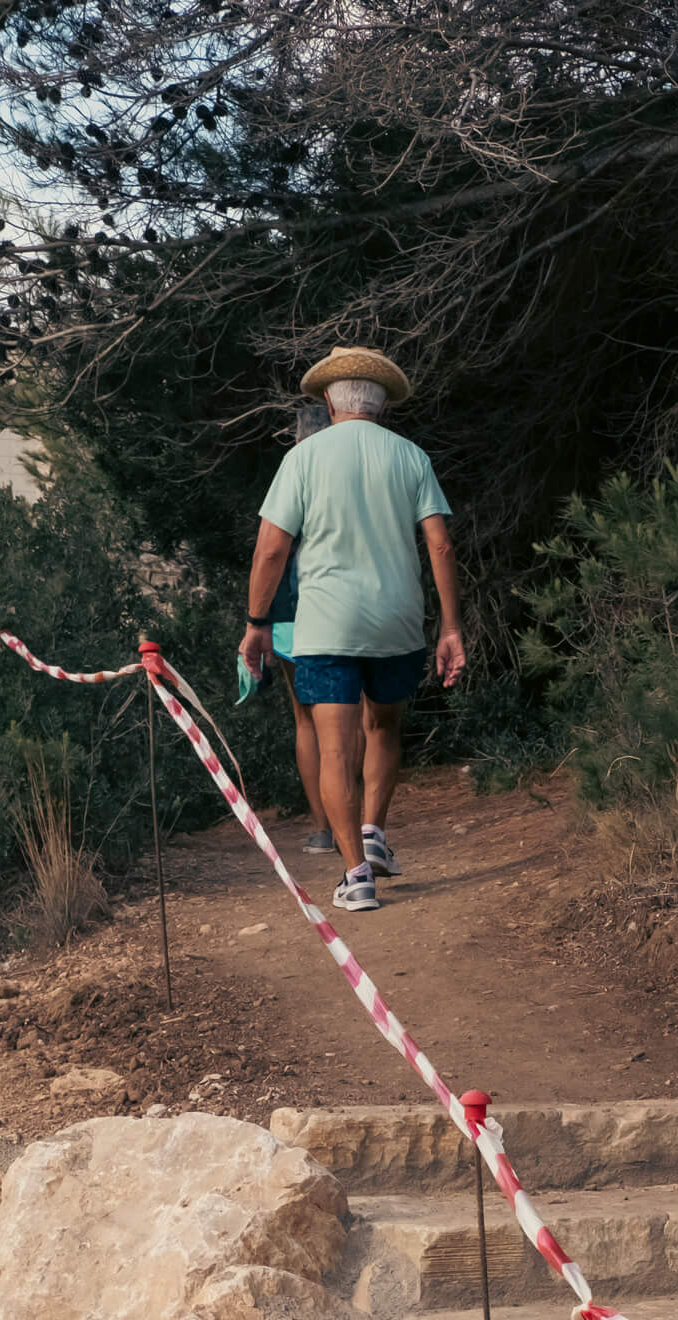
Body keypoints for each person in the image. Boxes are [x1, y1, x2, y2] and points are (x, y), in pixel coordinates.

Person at [238, 347, 465, 913]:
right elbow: (439, 542)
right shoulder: (411, 457)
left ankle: (355, 876)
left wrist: (256, 623)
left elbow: (271, 550)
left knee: (335, 749)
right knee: (384, 727)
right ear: (382, 404)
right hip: (397, 622)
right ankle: (374, 832)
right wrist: (451, 627)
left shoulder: (304, 458)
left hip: (325, 624)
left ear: (331, 404)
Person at [269, 402, 335, 856]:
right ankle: (364, 824)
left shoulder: (291, 469)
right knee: (361, 717)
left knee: (307, 719)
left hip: (292, 612)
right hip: (340, 604)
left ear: (297, 437)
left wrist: (259, 622)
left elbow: (273, 548)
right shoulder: (345, 471)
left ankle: (323, 828)